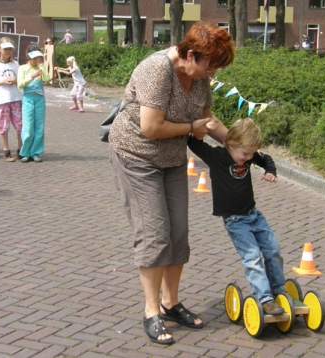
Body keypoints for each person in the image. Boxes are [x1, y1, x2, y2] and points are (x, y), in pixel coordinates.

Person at [108, 21, 235, 345]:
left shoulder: (199, 77)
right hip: (137, 156)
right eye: (211, 66)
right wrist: (192, 126)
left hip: (172, 160)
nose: (213, 74)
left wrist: (238, 147)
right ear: (191, 55)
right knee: (154, 232)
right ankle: (151, 311)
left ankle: (170, 303)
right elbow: (151, 127)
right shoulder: (157, 70)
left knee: (178, 233)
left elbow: (208, 120)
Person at [187, 118, 286, 317]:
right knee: (252, 257)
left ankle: (278, 291)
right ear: (230, 145)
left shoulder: (249, 155)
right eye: (245, 154)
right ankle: (264, 298)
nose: (249, 158)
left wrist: (270, 171)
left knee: (273, 250)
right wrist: (205, 130)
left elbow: (266, 159)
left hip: (254, 215)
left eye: (251, 153)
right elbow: (192, 142)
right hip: (235, 220)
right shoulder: (216, 156)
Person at [0, 37, 22, 162]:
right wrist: (2, 81)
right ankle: (6, 150)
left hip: (15, 98)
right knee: (3, 125)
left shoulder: (15, 64)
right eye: (5, 48)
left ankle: (20, 149)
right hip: (2, 99)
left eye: (10, 49)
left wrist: (15, 81)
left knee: (19, 124)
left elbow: (20, 80)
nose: (8, 51)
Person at [17, 44, 50, 163]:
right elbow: (20, 84)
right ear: (28, 57)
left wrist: (42, 66)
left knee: (39, 127)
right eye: (34, 58)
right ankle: (25, 152)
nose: (36, 60)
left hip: (40, 99)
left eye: (38, 57)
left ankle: (36, 152)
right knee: (28, 127)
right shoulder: (23, 68)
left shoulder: (40, 67)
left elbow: (47, 79)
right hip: (28, 99)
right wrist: (32, 76)